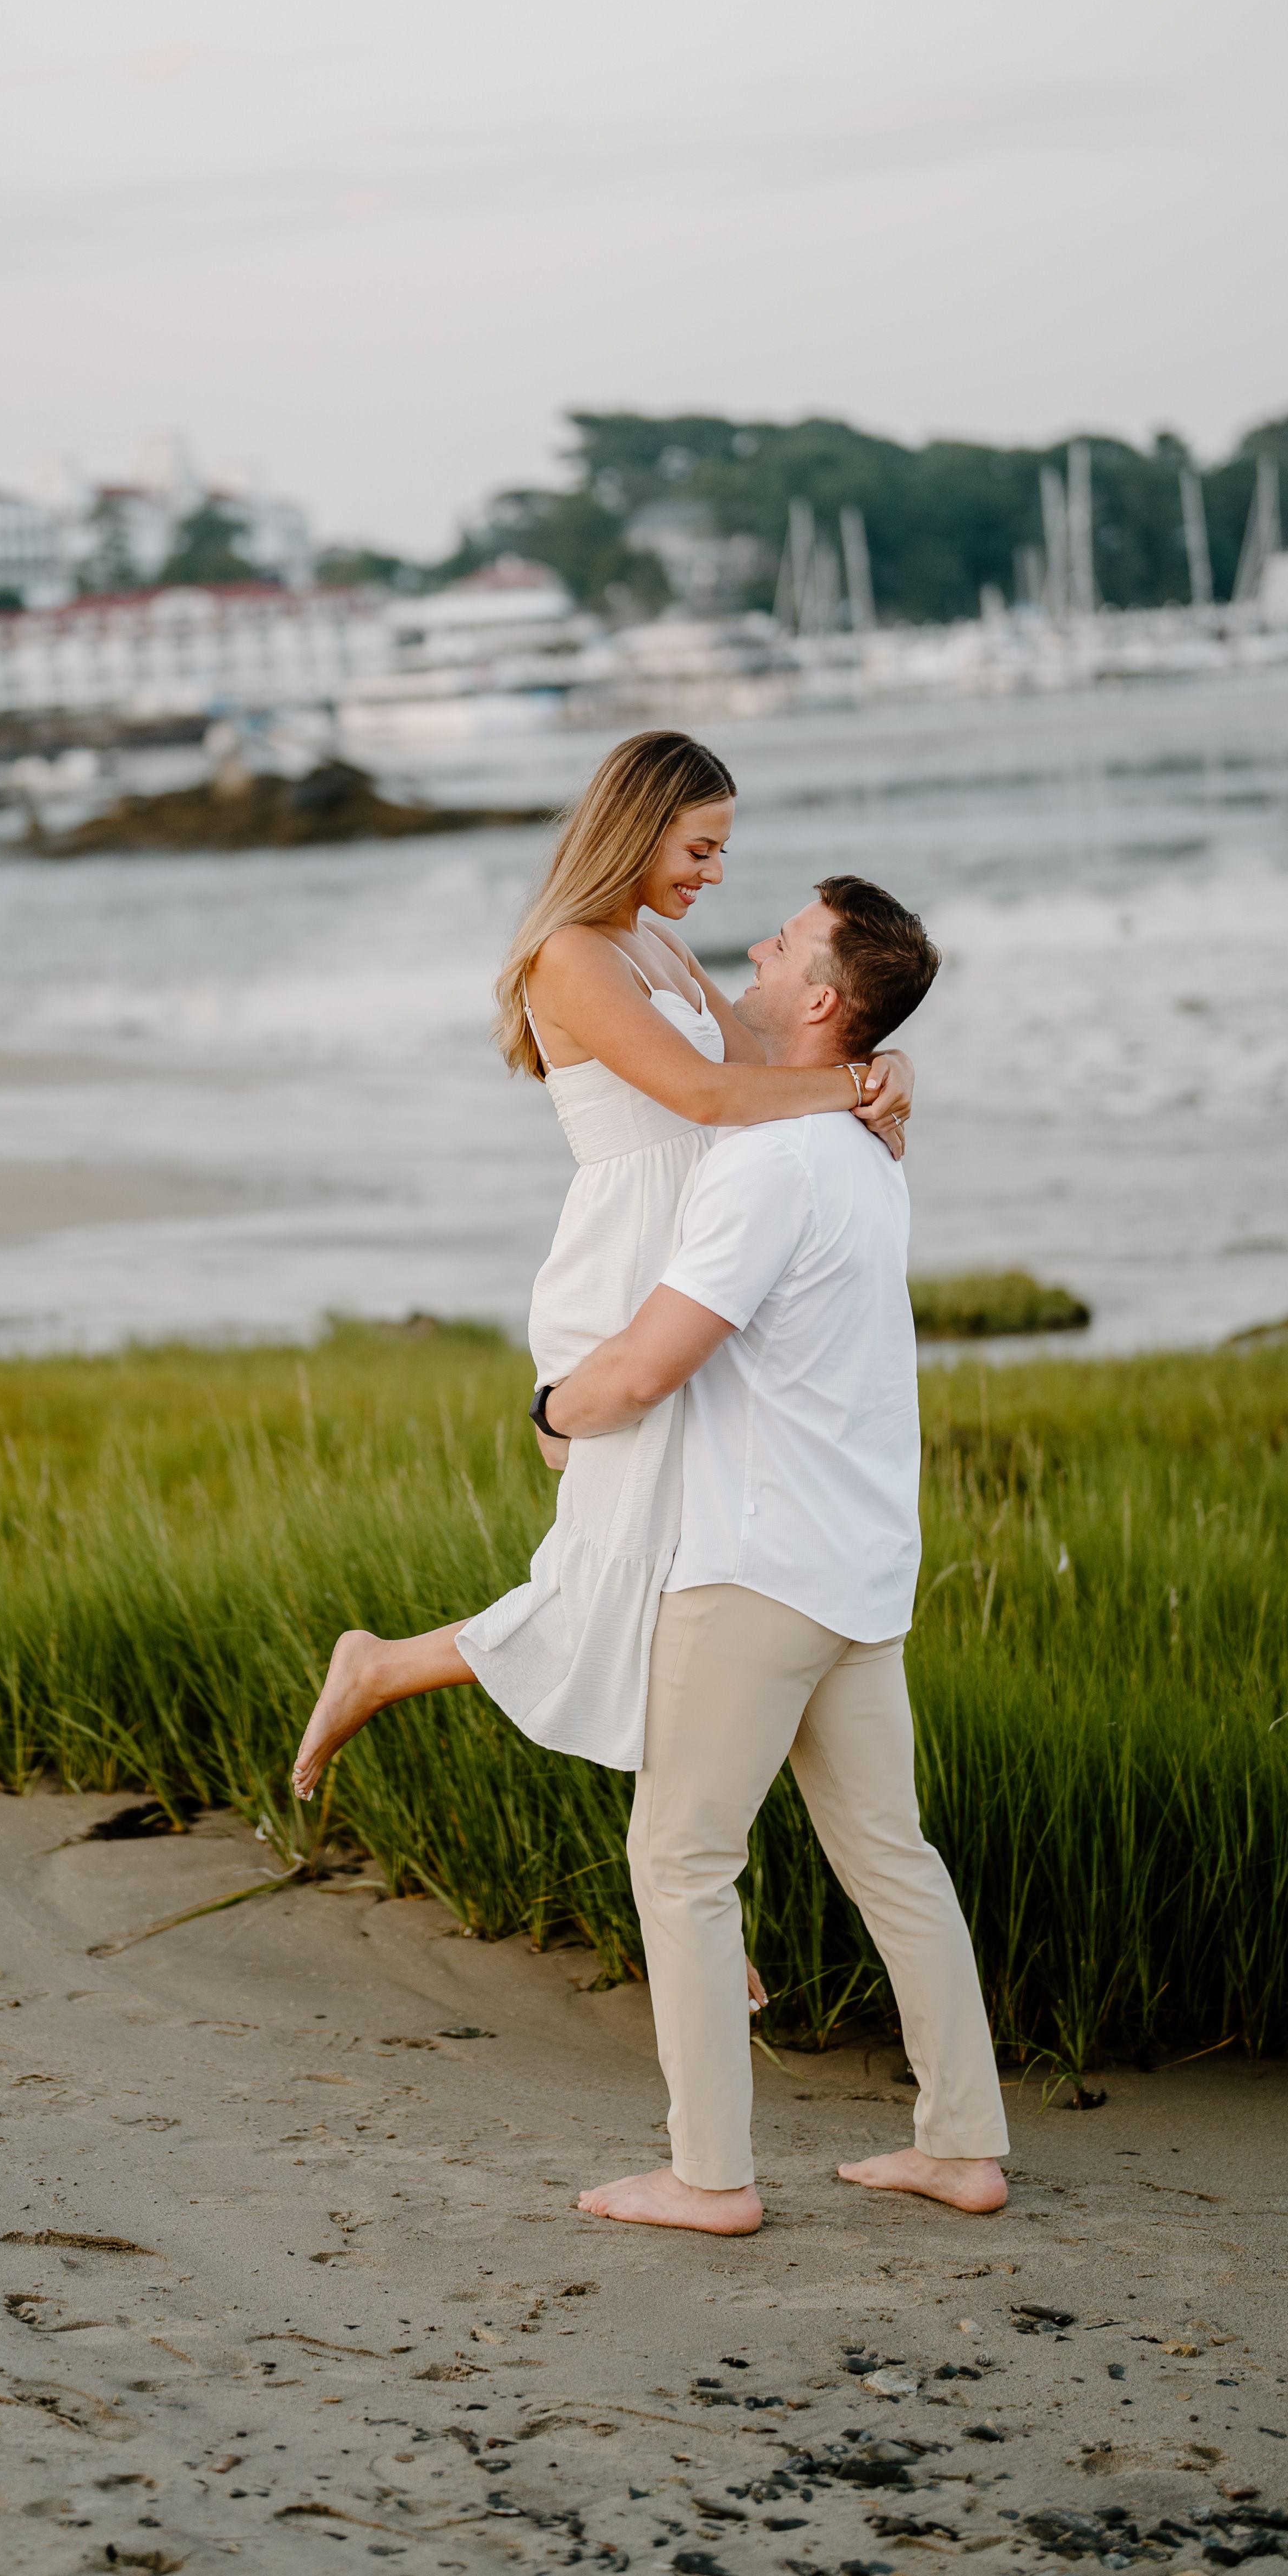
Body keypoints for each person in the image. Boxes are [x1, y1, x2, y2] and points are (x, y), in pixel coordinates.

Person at [289, 732, 913, 1798]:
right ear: (639, 827)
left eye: (722, 852)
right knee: (620, 1576)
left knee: (669, 1576)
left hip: (698, 1260)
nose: (716, 875)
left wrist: (885, 1062)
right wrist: (862, 1086)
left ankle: (389, 1668)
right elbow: (708, 1096)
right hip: (625, 1269)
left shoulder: (658, 948)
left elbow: (768, 1070)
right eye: (701, 849)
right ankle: (381, 1670)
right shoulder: (572, 956)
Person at [542, 875, 1010, 2234]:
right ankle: (963, 2149)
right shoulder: (867, 1150)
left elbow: (652, 1362)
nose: (755, 942)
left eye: (788, 941)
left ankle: (708, 2177)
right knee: (894, 1858)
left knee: (681, 1863)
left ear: (822, 999)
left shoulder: (772, 1159)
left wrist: (555, 1411)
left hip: (756, 1571)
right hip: (860, 1570)